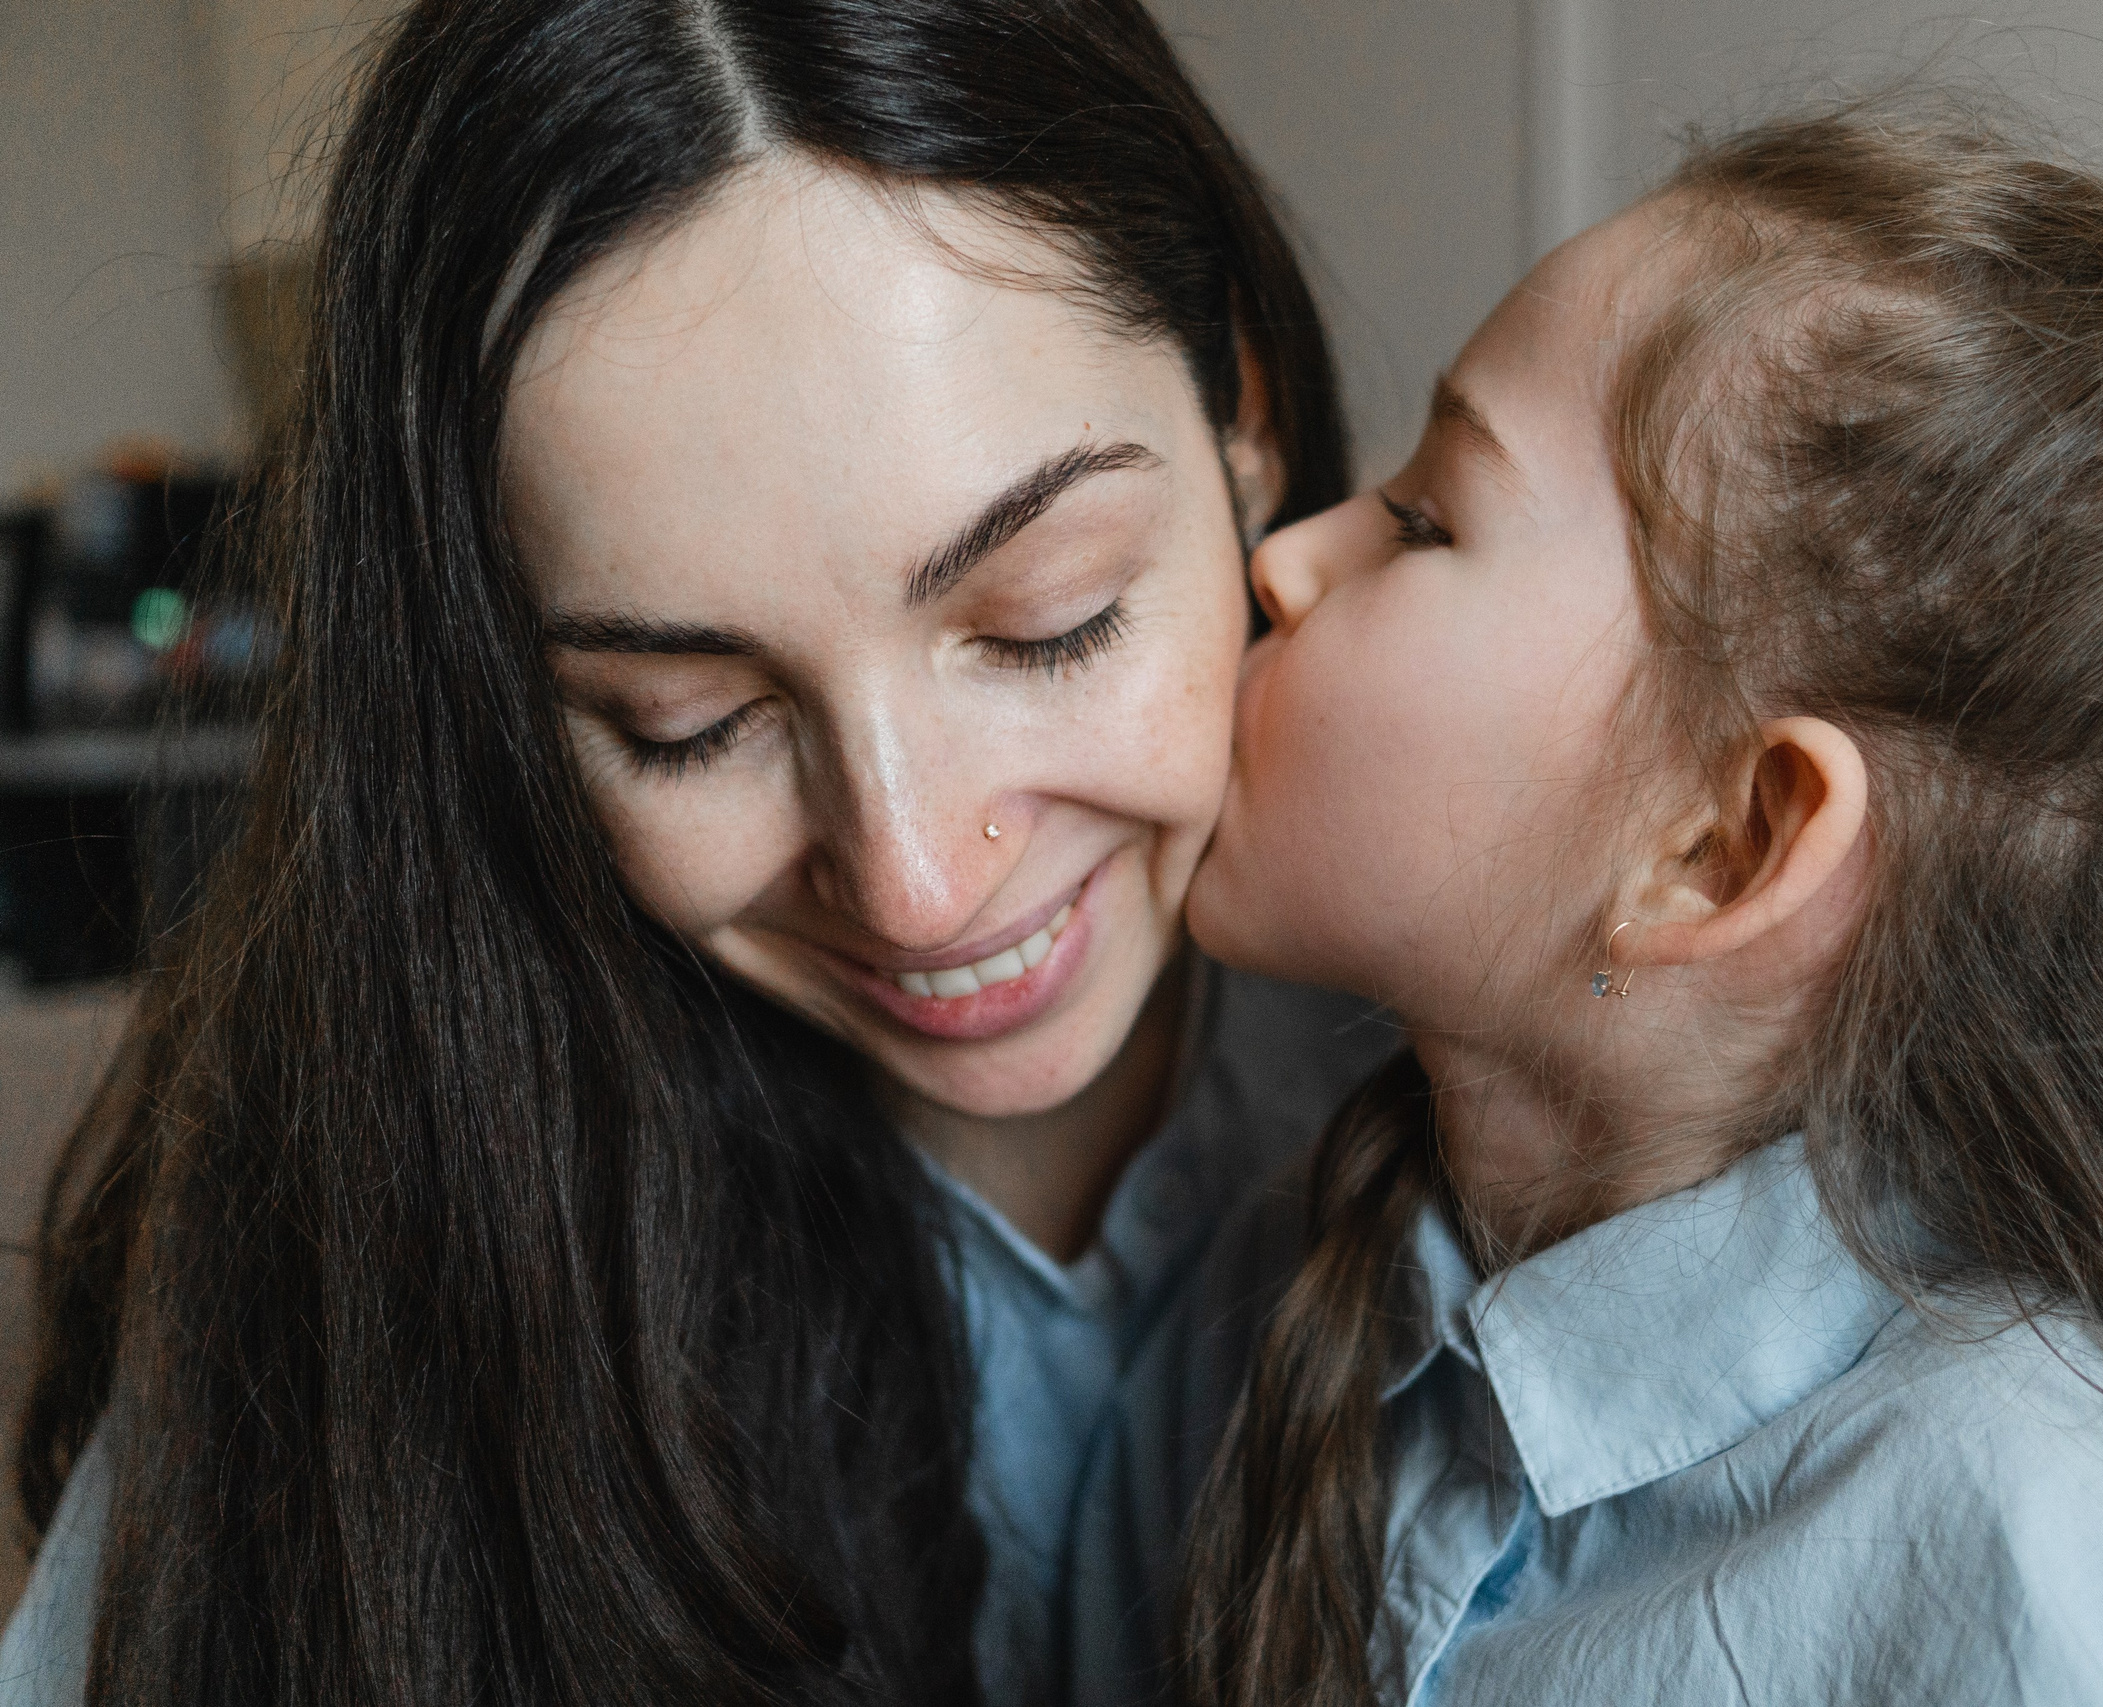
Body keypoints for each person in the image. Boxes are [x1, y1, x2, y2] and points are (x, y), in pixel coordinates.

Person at [1, 2, 1394, 1704]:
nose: (916, 884)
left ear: (1244, 418)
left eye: (1049, 622)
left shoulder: (1529, 1072)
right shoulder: (347, 1261)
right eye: (689, 723)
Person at [1152, 111, 2103, 1706]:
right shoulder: (1321, 1262)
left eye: (1425, 520)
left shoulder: (2037, 1551)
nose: (1284, 563)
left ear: (1721, 849)